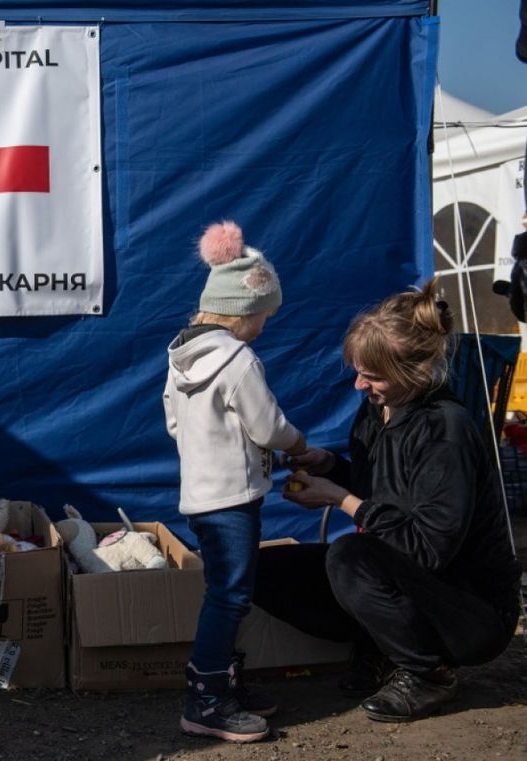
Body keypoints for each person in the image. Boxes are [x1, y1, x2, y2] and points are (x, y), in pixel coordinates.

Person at [256, 281, 521, 723]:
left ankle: (428, 673)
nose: (360, 384)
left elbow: (428, 548)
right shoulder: (379, 410)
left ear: (414, 371)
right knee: (261, 572)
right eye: (358, 371)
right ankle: (384, 647)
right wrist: (329, 467)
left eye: (372, 375)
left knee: (350, 556)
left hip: (470, 607)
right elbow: (380, 487)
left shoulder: (444, 430)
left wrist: (340, 499)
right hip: (410, 576)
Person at [163, 220, 309, 742]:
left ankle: (222, 681)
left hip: (199, 496)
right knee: (228, 596)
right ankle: (205, 699)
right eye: (265, 316)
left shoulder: (180, 355)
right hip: (234, 500)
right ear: (244, 312)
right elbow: (268, 427)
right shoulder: (240, 360)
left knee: (227, 592)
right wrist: (298, 445)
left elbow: (174, 423)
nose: (265, 326)